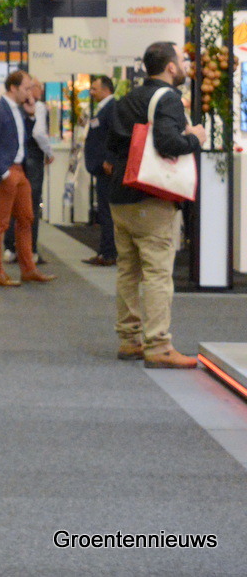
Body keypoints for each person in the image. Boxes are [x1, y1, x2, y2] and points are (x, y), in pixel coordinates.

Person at [104, 42, 206, 368]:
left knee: (128, 270)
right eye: (183, 60)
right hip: (150, 196)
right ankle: (159, 345)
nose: (186, 65)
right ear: (170, 67)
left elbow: (112, 144)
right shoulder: (169, 98)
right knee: (158, 273)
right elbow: (168, 142)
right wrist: (196, 137)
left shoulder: (127, 99)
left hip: (120, 195)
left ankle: (129, 339)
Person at [0, 70, 56, 288]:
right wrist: (4, 173)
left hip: (21, 170)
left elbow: (21, 139)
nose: (30, 92)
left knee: (26, 219)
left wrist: (30, 116)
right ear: (13, 88)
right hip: (7, 172)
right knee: (0, 224)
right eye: (26, 88)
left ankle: (28, 269)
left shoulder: (19, 109)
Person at [4, 78, 54, 264]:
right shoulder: (39, 107)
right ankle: (30, 250)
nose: (40, 91)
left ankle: (10, 248)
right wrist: (49, 152)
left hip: (16, 160)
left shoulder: (15, 108)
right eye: (38, 87)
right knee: (31, 206)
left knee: (14, 204)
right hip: (33, 159)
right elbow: (39, 133)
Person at [82, 75, 118, 266]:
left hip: (106, 168)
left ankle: (108, 253)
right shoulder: (103, 108)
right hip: (100, 167)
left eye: (94, 89)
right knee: (104, 211)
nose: (91, 92)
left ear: (106, 90)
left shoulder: (112, 108)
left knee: (107, 211)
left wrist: (109, 159)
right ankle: (105, 251)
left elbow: (115, 134)